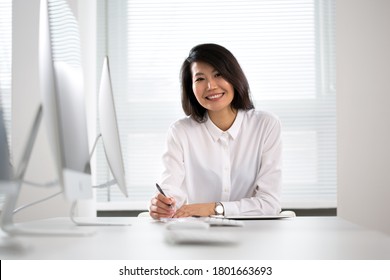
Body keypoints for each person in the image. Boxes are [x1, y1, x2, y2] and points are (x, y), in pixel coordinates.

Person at [149, 43, 282, 219]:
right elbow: (171, 193)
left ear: (234, 77)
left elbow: (270, 203)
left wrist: (214, 208)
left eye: (218, 74)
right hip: (199, 237)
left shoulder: (265, 125)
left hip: (253, 235)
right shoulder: (180, 131)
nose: (210, 86)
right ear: (191, 88)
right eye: (200, 79)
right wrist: (162, 206)